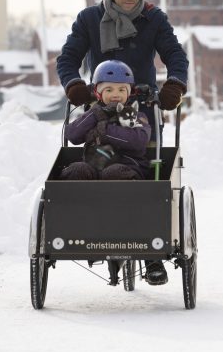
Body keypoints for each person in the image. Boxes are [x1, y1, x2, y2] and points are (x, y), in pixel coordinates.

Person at [61, 59, 168, 286]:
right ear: (98, 93)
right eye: (108, 89)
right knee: (76, 170)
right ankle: (78, 228)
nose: (116, 94)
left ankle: (139, 244)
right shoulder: (93, 113)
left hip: (127, 169)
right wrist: (95, 115)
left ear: (129, 92)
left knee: (114, 172)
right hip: (93, 167)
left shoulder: (137, 115)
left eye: (121, 89)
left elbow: (139, 139)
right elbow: (72, 135)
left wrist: (107, 131)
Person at [57, 0, 188, 134]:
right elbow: (68, 58)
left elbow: (175, 54)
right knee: (97, 155)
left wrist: (175, 84)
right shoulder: (89, 18)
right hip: (101, 106)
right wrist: (73, 84)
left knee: (146, 160)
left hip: (143, 108)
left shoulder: (154, 18)